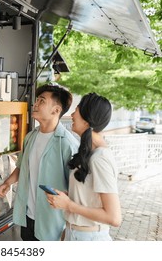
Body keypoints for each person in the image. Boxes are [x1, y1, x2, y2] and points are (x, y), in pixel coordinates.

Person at [0, 83, 79, 241]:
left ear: (56, 110)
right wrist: (8, 183)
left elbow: (77, 188)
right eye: (37, 100)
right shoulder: (30, 137)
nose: (35, 104)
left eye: (42, 101)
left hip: (53, 222)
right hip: (27, 217)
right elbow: (22, 167)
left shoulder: (68, 144)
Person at [46, 93, 122, 241]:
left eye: (77, 109)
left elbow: (114, 217)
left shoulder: (100, 159)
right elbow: (91, 198)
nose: (72, 114)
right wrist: (69, 198)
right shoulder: (90, 152)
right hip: (75, 233)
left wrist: (69, 205)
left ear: (87, 120)